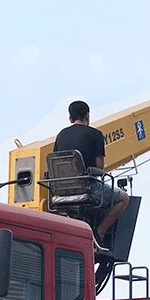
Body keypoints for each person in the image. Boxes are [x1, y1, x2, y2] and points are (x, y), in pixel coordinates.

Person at [53, 100, 129, 252]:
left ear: (70, 118)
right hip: (88, 188)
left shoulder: (60, 136)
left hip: (62, 191)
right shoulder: (96, 134)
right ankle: (99, 232)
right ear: (87, 116)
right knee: (123, 198)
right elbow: (99, 166)